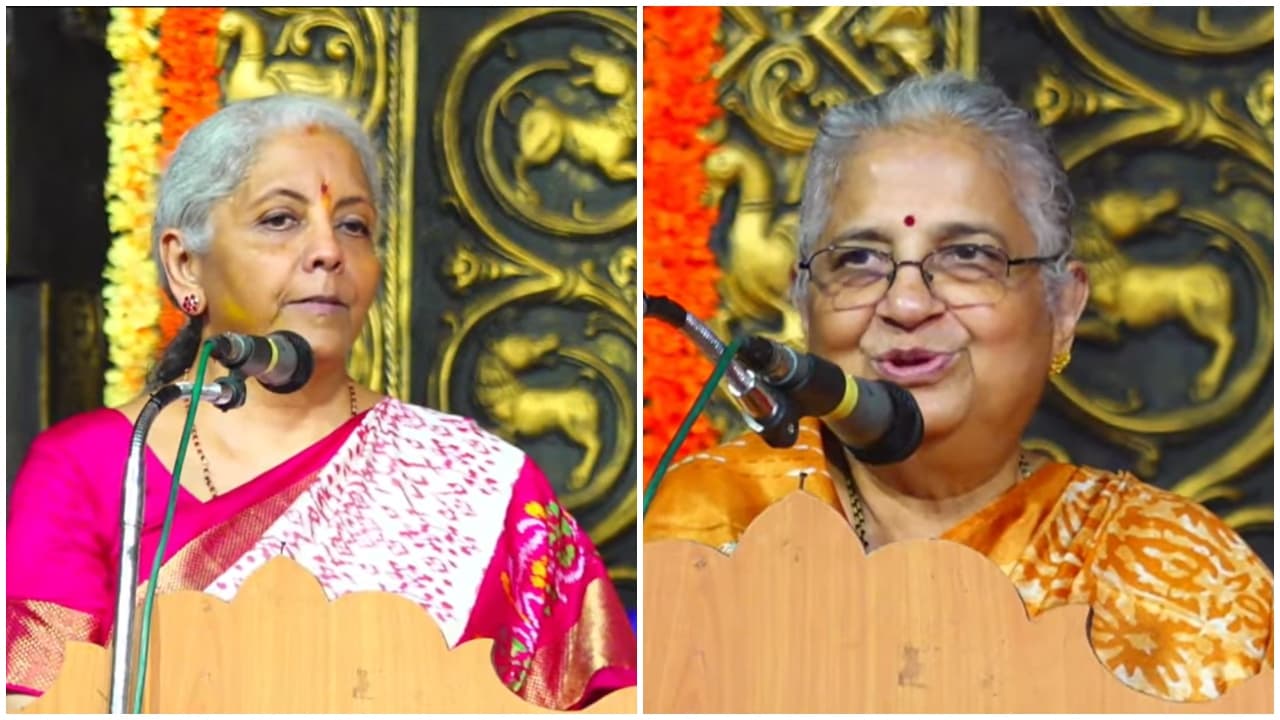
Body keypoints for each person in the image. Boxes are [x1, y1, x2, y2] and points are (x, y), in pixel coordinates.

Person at [644, 73, 1272, 702]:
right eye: (859, 259)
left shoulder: (1179, 580)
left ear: (1063, 308)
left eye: (968, 255)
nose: (907, 302)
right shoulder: (708, 515)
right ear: (804, 301)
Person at [7, 95, 636, 712]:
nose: (329, 251)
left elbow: (602, 698)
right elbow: (36, 699)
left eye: (354, 225)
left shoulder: (477, 479)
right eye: (280, 219)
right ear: (185, 264)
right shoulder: (92, 468)